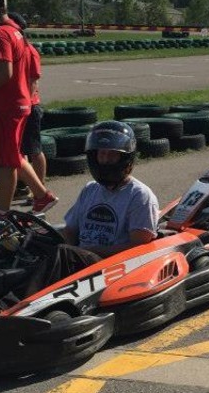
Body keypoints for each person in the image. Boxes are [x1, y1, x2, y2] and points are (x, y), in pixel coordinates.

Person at [0, 0, 57, 220]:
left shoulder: (0, 35)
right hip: (21, 102)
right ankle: (41, 195)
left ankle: (2, 211)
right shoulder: (18, 33)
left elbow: (5, 73)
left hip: (6, 106)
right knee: (13, 156)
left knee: (5, 161)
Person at [39, 121, 159, 285]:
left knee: (63, 253)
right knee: (35, 241)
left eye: (112, 154)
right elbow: (70, 230)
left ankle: (20, 302)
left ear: (125, 158)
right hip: (79, 258)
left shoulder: (140, 195)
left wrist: (87, 250)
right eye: (102, 154)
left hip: (112, 266)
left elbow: (139, 247)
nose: (105, 160)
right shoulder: (90, 189)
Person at [7, 12, 46, 205]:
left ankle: (39, 190)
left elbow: (32, 81)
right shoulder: (16, 50)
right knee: (17, 152)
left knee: (34, 150)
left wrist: (26, 106)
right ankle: (21, 188)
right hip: (17, 107)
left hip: (29, 106)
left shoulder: (29, 51)